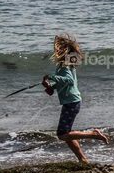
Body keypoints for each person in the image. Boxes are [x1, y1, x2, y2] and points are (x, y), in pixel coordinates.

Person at [42, 34, 109, 164]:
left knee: (62, 134)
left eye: (57, 50)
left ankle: (94, 134)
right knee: (67, 134)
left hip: (71, 103)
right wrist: (50, 86)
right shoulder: (65, 65)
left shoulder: (64, 66)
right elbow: (64, 83)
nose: (55, 52)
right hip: (72, 102)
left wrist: (51, 77)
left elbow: (69, 80)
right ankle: (82, 159)